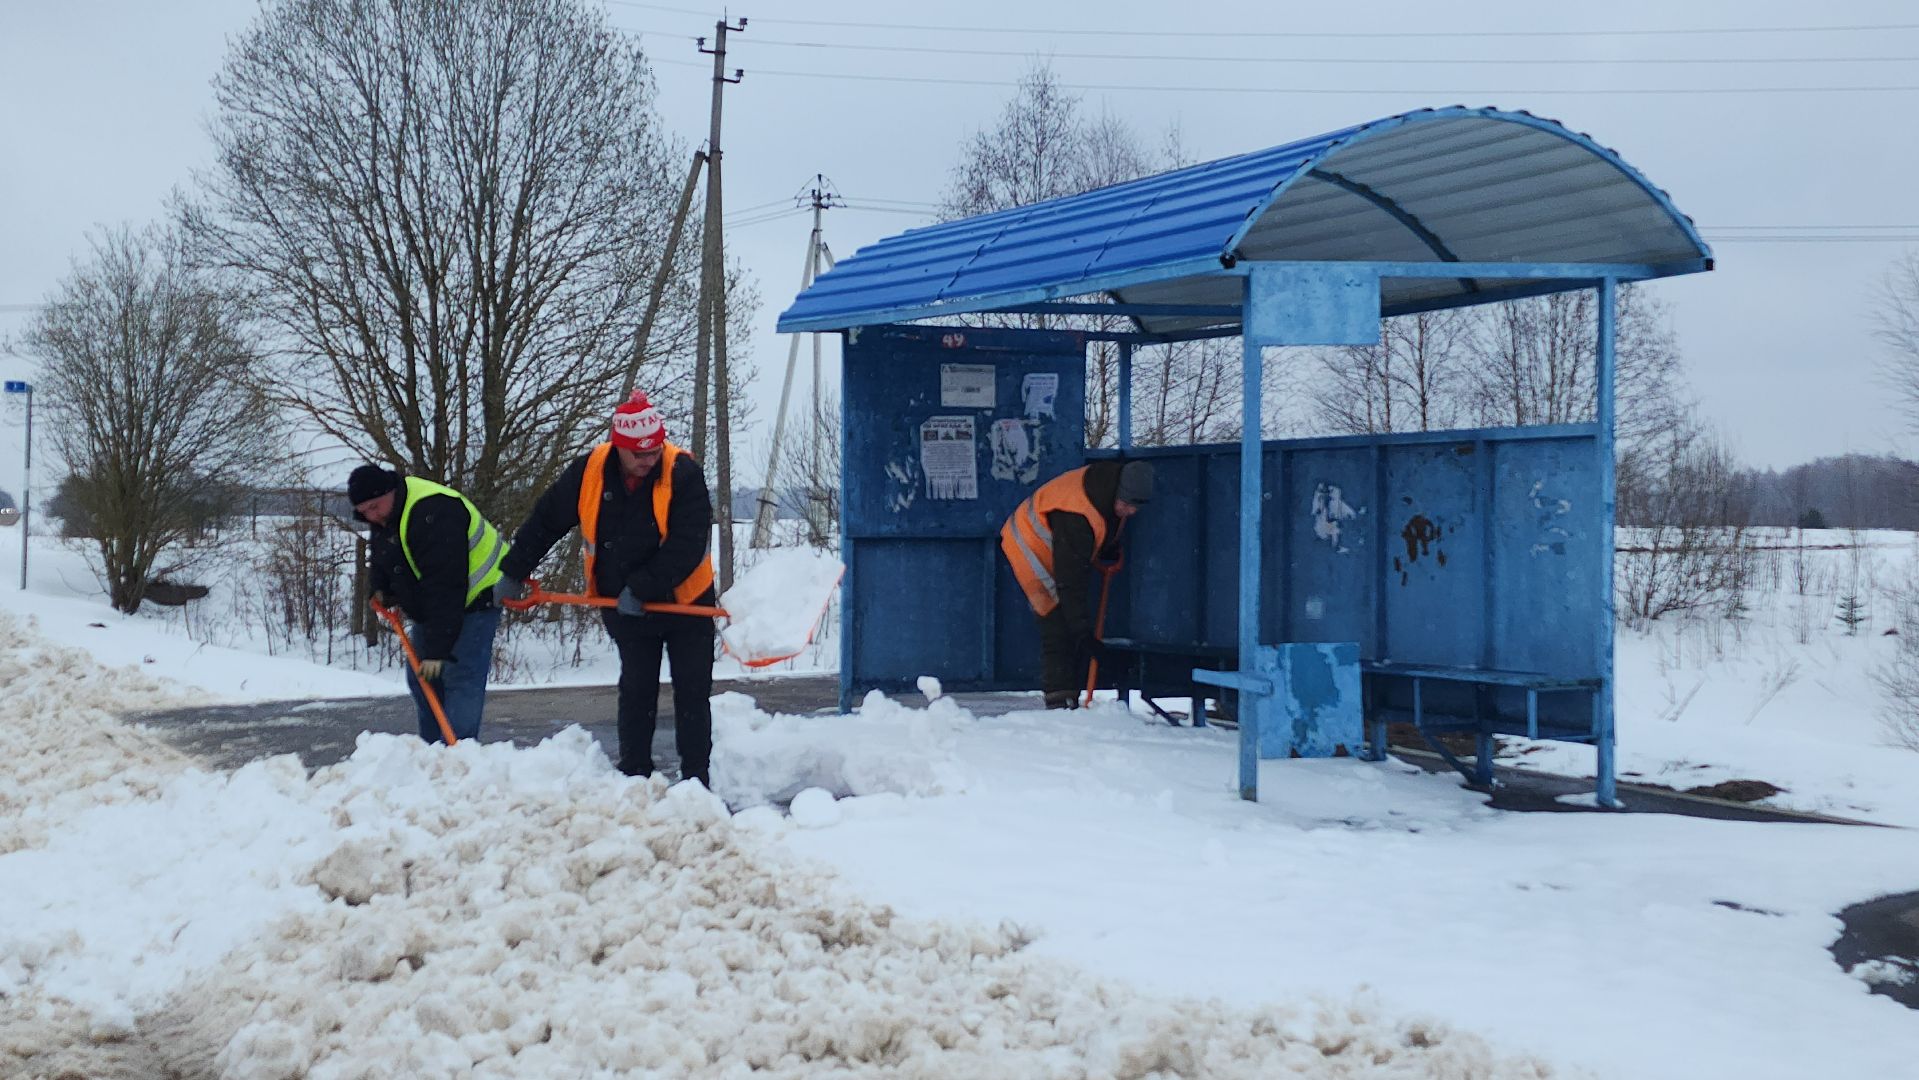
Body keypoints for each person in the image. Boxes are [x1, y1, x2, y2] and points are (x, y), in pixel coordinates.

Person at [493, 390, 717, 786]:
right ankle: (633, 774)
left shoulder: (682, 472)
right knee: (636, 687)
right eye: (639, 455)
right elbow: (547, 520)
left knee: (692, 690)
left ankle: (696, 779)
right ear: (619, 447)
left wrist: (644, 586)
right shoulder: (590, 471)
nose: (648, 461)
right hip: (621, 602)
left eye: (654, 452)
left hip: (686, 603)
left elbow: (687, 543)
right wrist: (514, 569)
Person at [349, 464, 508, 744]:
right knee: (421, 679)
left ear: (390, 491)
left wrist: (438, 650)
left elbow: (446, 586)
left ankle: (460, 757)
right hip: (436, 601)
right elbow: (385, 551)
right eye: (365, 513)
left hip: (479, 594)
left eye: (375, 507)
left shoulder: (433, 512)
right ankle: (433, 751)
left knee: (460, 678)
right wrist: (380, 588)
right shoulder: (385, 514)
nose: (372, 516)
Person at [1000, 459, 1155, 709]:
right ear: (1117, 494)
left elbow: (1106, 523)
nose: (1131, 512)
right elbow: (1070, 582)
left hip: (1060, 545)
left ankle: (1071, 695)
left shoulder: (1112, 488)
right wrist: (1084, 634)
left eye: (1136, 507)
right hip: (1028, 546)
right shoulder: (1077, 518)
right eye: (1126, 505)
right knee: (1055, 624)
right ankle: (1059, 702)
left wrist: (1109, 546)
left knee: (1071, 621)